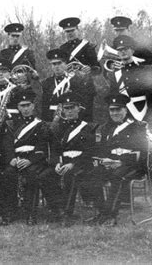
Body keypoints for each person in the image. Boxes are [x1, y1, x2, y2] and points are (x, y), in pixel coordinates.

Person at [86, 93, 148, 226]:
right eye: (111, 110)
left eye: (118, 110)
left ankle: (111, 216)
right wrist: (105, 160)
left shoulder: (137, 127)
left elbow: (142, 153)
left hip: (133, 166)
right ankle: (102, 212)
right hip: (111, 164)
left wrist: (121, 162)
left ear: (125, 110)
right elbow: (102, 149)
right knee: (92, 175)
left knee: (117, 176)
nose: (114, 113)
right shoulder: (107, 128)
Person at [4, 90, 56, 225]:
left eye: (28, 105)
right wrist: (12, 159)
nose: (25, 109)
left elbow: (42, 146)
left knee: (32, 175)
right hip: (16, 159)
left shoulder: (41, 125)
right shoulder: (11, 124)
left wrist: (30, 160)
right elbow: (8, 145)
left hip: (33, 160)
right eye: (22, 106)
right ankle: (11, 211)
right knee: (8, 174)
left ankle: (31, 213)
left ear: (33, 106)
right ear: (18, 108)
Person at [50, 92, 97, 225]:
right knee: (47, 174)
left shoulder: (88, 128)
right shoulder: (59, 127)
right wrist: (57, 163)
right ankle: (55, 210)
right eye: (66, 108)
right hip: (63, 162)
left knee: (71, 175)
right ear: (62, 110)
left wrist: (73, 164)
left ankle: (66, 213)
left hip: (82, 164)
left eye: (72, 108)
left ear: (78, 108)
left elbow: (90, 151)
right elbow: (55, 150)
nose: (69, 111)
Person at [103, 35, 152, 131]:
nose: (123, 52)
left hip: (143, 113)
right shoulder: (115, 74)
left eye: (126, 49)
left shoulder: (143, 70)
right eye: (120, 50)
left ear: (132, 51)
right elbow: (113, 97)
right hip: (124, 115)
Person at [41, 49, 94, 122]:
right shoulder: (47, 83)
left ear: (65, 64)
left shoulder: (76, 80)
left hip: (71, 118)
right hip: (52, 119)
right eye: (54, 64)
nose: (56, 66)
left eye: (59, 63)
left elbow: (85, 101)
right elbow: (44, 106)